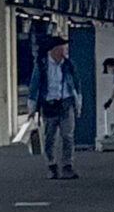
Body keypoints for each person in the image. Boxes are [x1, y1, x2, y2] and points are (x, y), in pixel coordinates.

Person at [26, 36, 82, 180]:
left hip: (66, 103)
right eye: (62, 48)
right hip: (49, 105)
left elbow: (76, 85)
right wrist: (32, 108)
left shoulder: (68, 65)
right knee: (49, 137)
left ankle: (67, 165)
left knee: (68, 136)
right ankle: (51, 165)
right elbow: (34, 86)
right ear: (53, 50)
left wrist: (78, 104)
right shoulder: (42, 65)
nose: (64, 51)